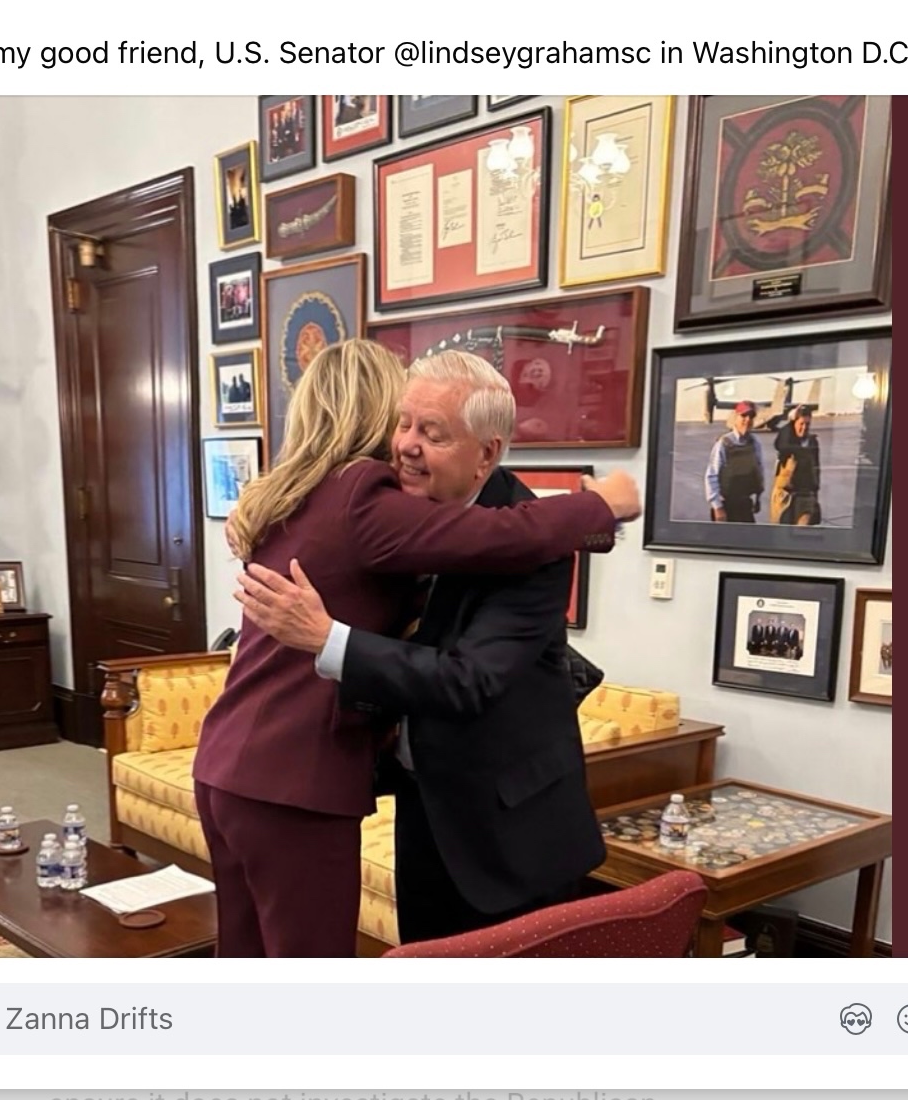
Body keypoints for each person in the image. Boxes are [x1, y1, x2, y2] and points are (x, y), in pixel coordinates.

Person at [193, 340, 638, 957]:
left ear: (487, 453)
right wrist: (600, 505)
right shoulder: (379, 505)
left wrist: (328, 639)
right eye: (402, 423)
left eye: (432, 432)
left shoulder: (527, 543)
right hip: (383, 801)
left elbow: (469, 678)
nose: (405, 444)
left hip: (505, 832)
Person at [705, 400, 765, 523]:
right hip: (726, 505)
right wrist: (718, 507)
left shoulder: (754, 443)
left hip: (745, 504)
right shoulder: (724, 443)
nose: (747, 420)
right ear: (736, 417)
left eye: (751, 416)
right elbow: (711, 475)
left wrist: (758, 497)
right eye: (744, 415)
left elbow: (759, 471)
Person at [771, 405, 822, 525]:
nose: (804, 428)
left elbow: (816, 469)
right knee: (782, 532)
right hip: (785, 496)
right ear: (794, 423)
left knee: (803, 530)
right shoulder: (786, 439)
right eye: (801, 424)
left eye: (807, 424)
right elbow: (780, 445)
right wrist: (790, 421)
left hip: (806, 496)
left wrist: (815, 497)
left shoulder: (812, 442)